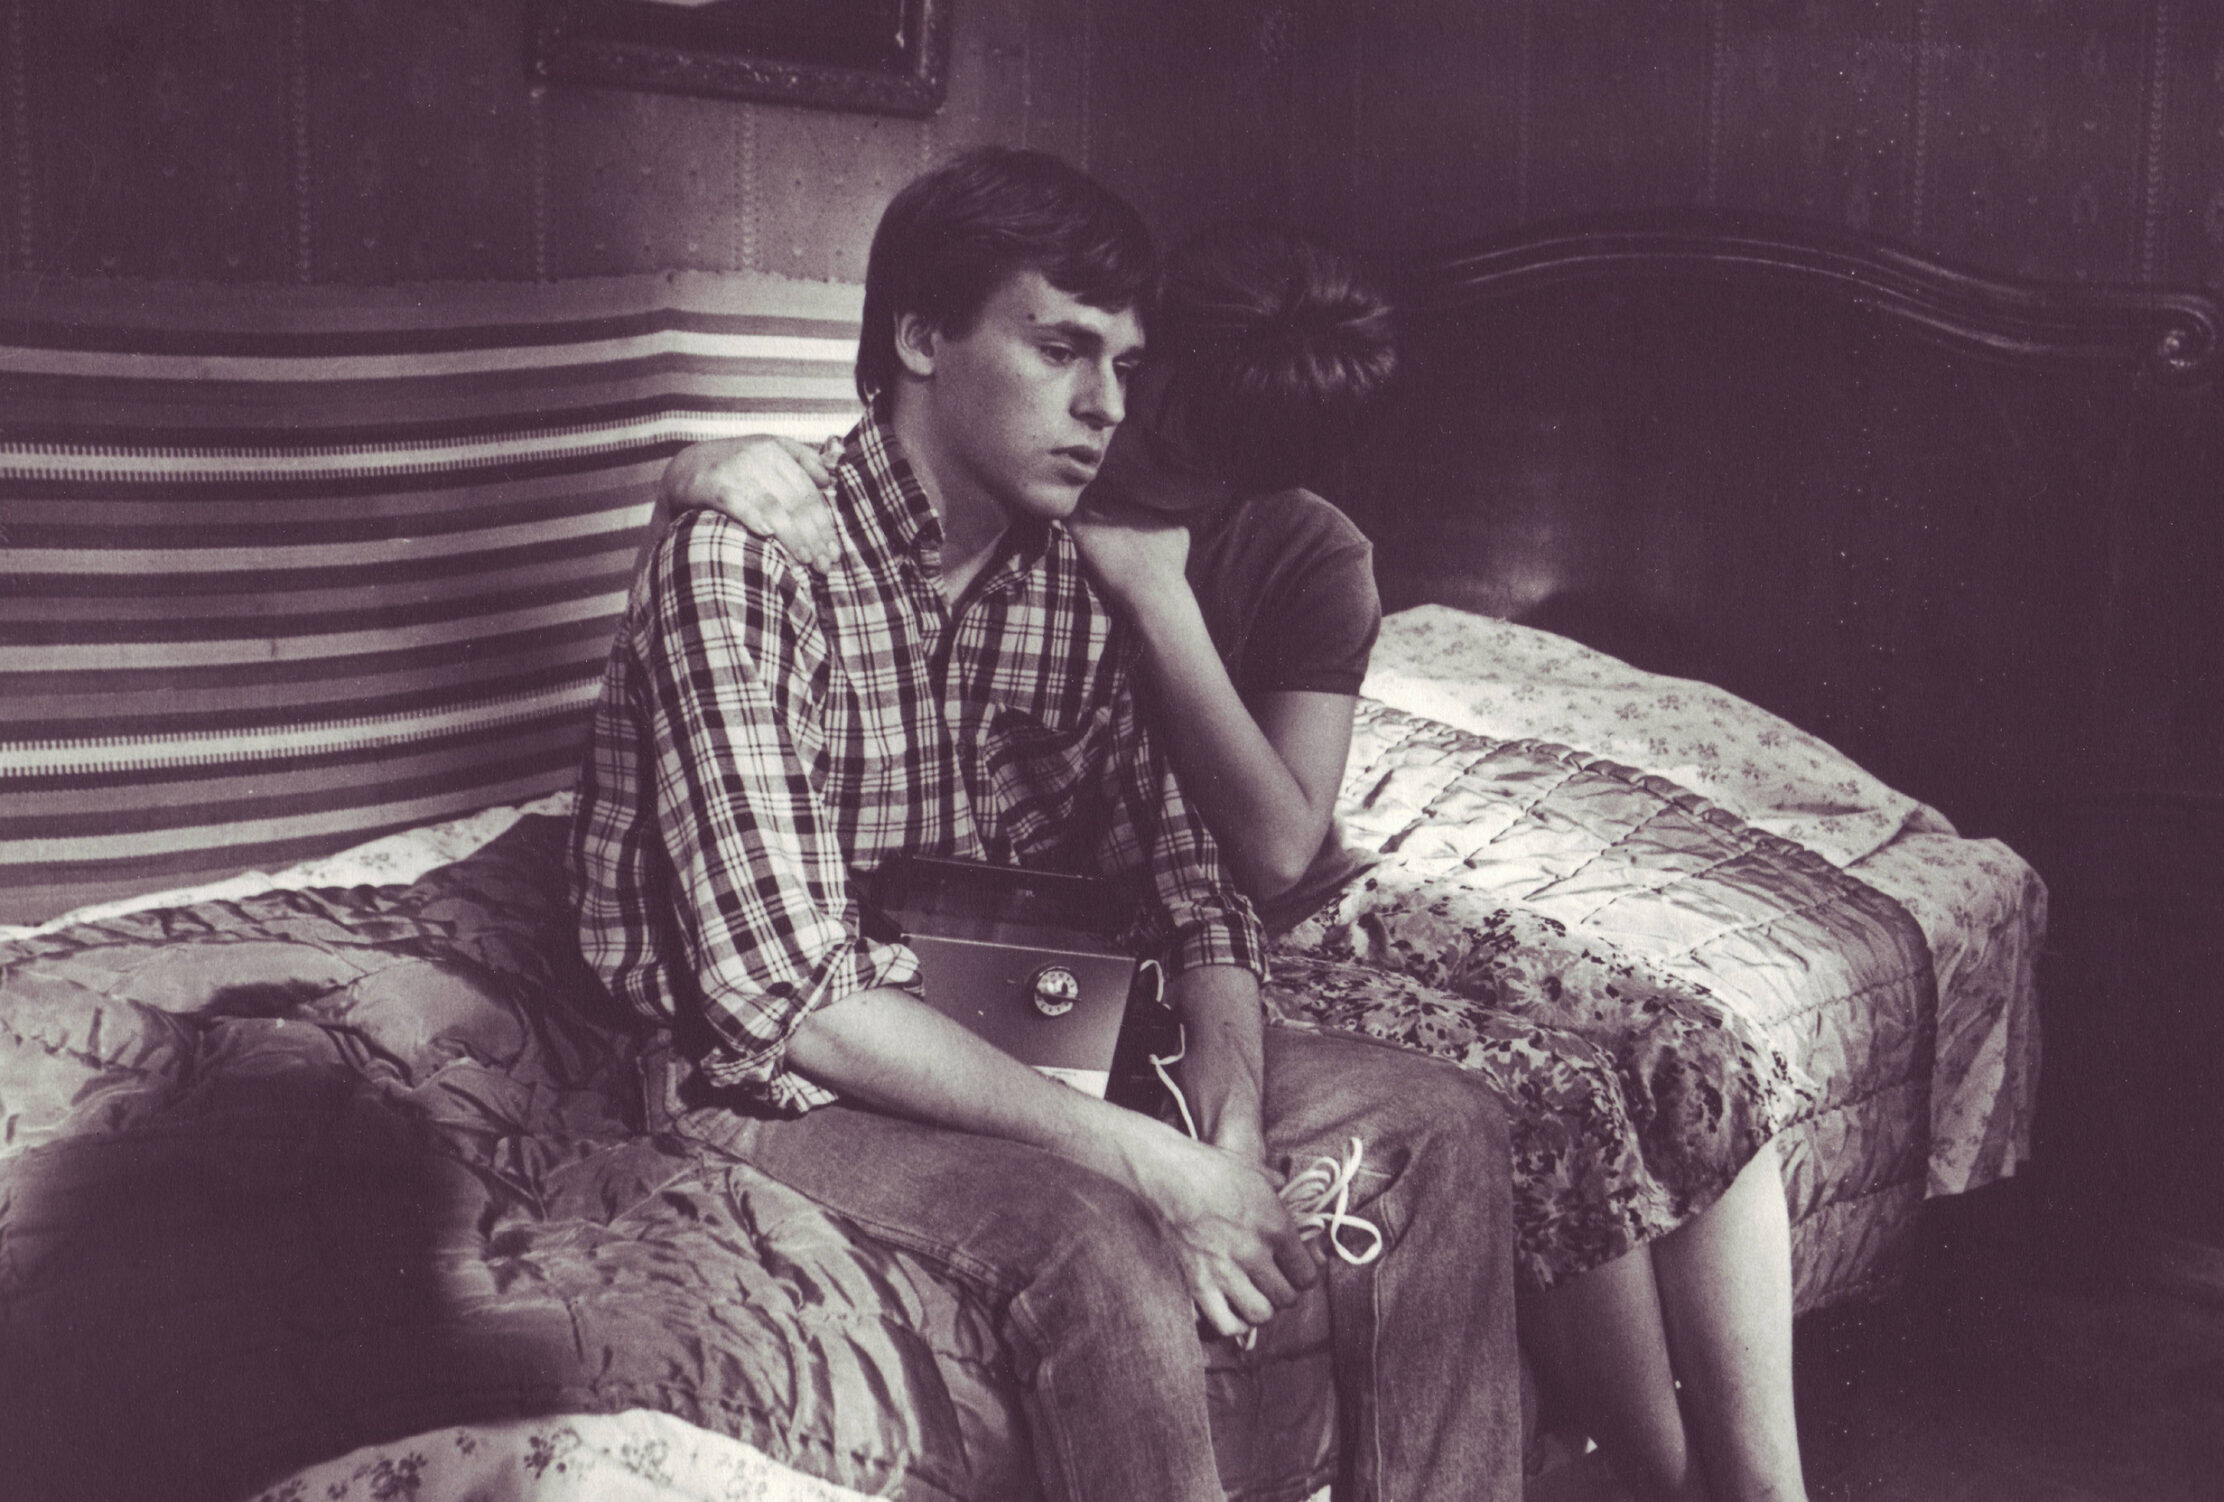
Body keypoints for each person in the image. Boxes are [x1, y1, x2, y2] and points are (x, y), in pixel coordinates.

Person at [664, 221, 1810, 1502]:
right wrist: (696, 468)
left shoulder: (1279, 550)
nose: (1112, 426)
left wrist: (1160, 598)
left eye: (1161, 420)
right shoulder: (984, 490)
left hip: (1228, 910)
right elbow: (858, 474)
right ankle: (1663, 1476)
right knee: (1539, 1098)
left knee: (1645, 1058)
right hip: (1053, 949)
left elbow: (1248, 866)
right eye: (1107, 381)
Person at [567, 148, 1522, 1502]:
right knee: (1094, 1228)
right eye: (1061, 349)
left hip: (1008, 1016)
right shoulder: (749, 554)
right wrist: (1158, 1169)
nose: (1105, 406)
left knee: (1445, 1124)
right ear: (919, 337)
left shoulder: (1080, 569)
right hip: (772, 1076)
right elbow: (787, 999)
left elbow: (1200, 893)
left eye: (1123, 365)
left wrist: (1228, 1138)